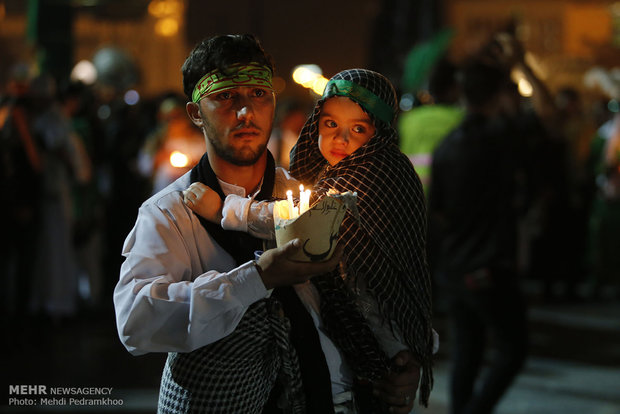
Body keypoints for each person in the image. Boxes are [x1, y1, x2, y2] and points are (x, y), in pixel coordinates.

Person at [114, 34, 421, 414]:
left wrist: (400, 359)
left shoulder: (306, 198)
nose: (245, 113)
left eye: (258, 95)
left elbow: (364, 292)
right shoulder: (170, 213)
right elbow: (136, 322)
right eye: (226, 97)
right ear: (196, 113)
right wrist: (255, 278)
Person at [184, 68, 436, 412]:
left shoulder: (372, 173)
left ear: (381, 133)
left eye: (358, 129)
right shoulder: (334, 173)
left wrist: (226, 209)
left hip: (379, 335)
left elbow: (301, 223)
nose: (341, 139)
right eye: (330, 124)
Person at [429, 58, 529, 414]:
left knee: (467, 353)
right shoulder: (501, 140)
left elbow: (436, 208)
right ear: (499, 96)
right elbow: (550, 127)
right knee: (513, 349)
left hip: (455, 264)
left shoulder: (447, 145)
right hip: (488, 264)